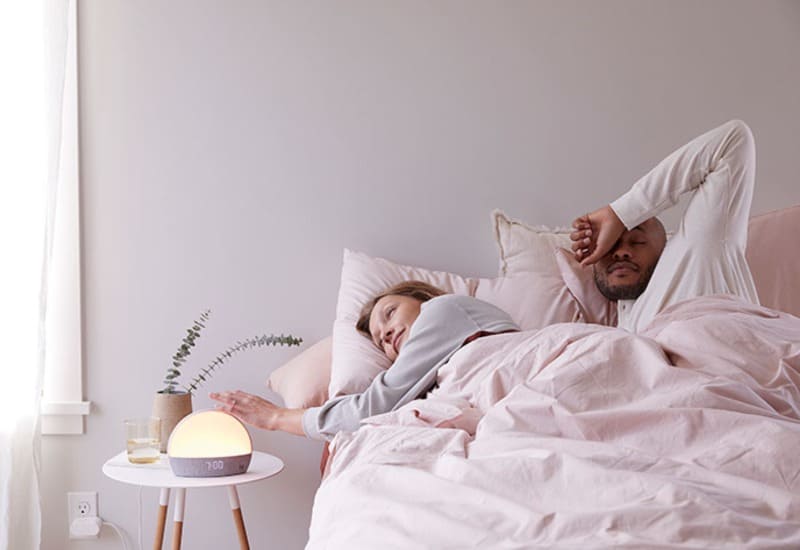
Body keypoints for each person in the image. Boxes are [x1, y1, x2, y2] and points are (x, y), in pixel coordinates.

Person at [210, 281, 519, 441]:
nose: (385, 333)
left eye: (390, 313)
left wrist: (279, 418)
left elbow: (374, 406)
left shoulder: (442, 310)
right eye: (380, 339)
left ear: (421, 299)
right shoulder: (435, 374)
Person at [570, 119, 760, 333]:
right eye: (609, 246)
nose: (621, 252)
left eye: (637, 241)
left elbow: (734, 140)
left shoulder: (694, 254)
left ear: (665, 249)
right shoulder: (608, 339)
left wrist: (620, 214)